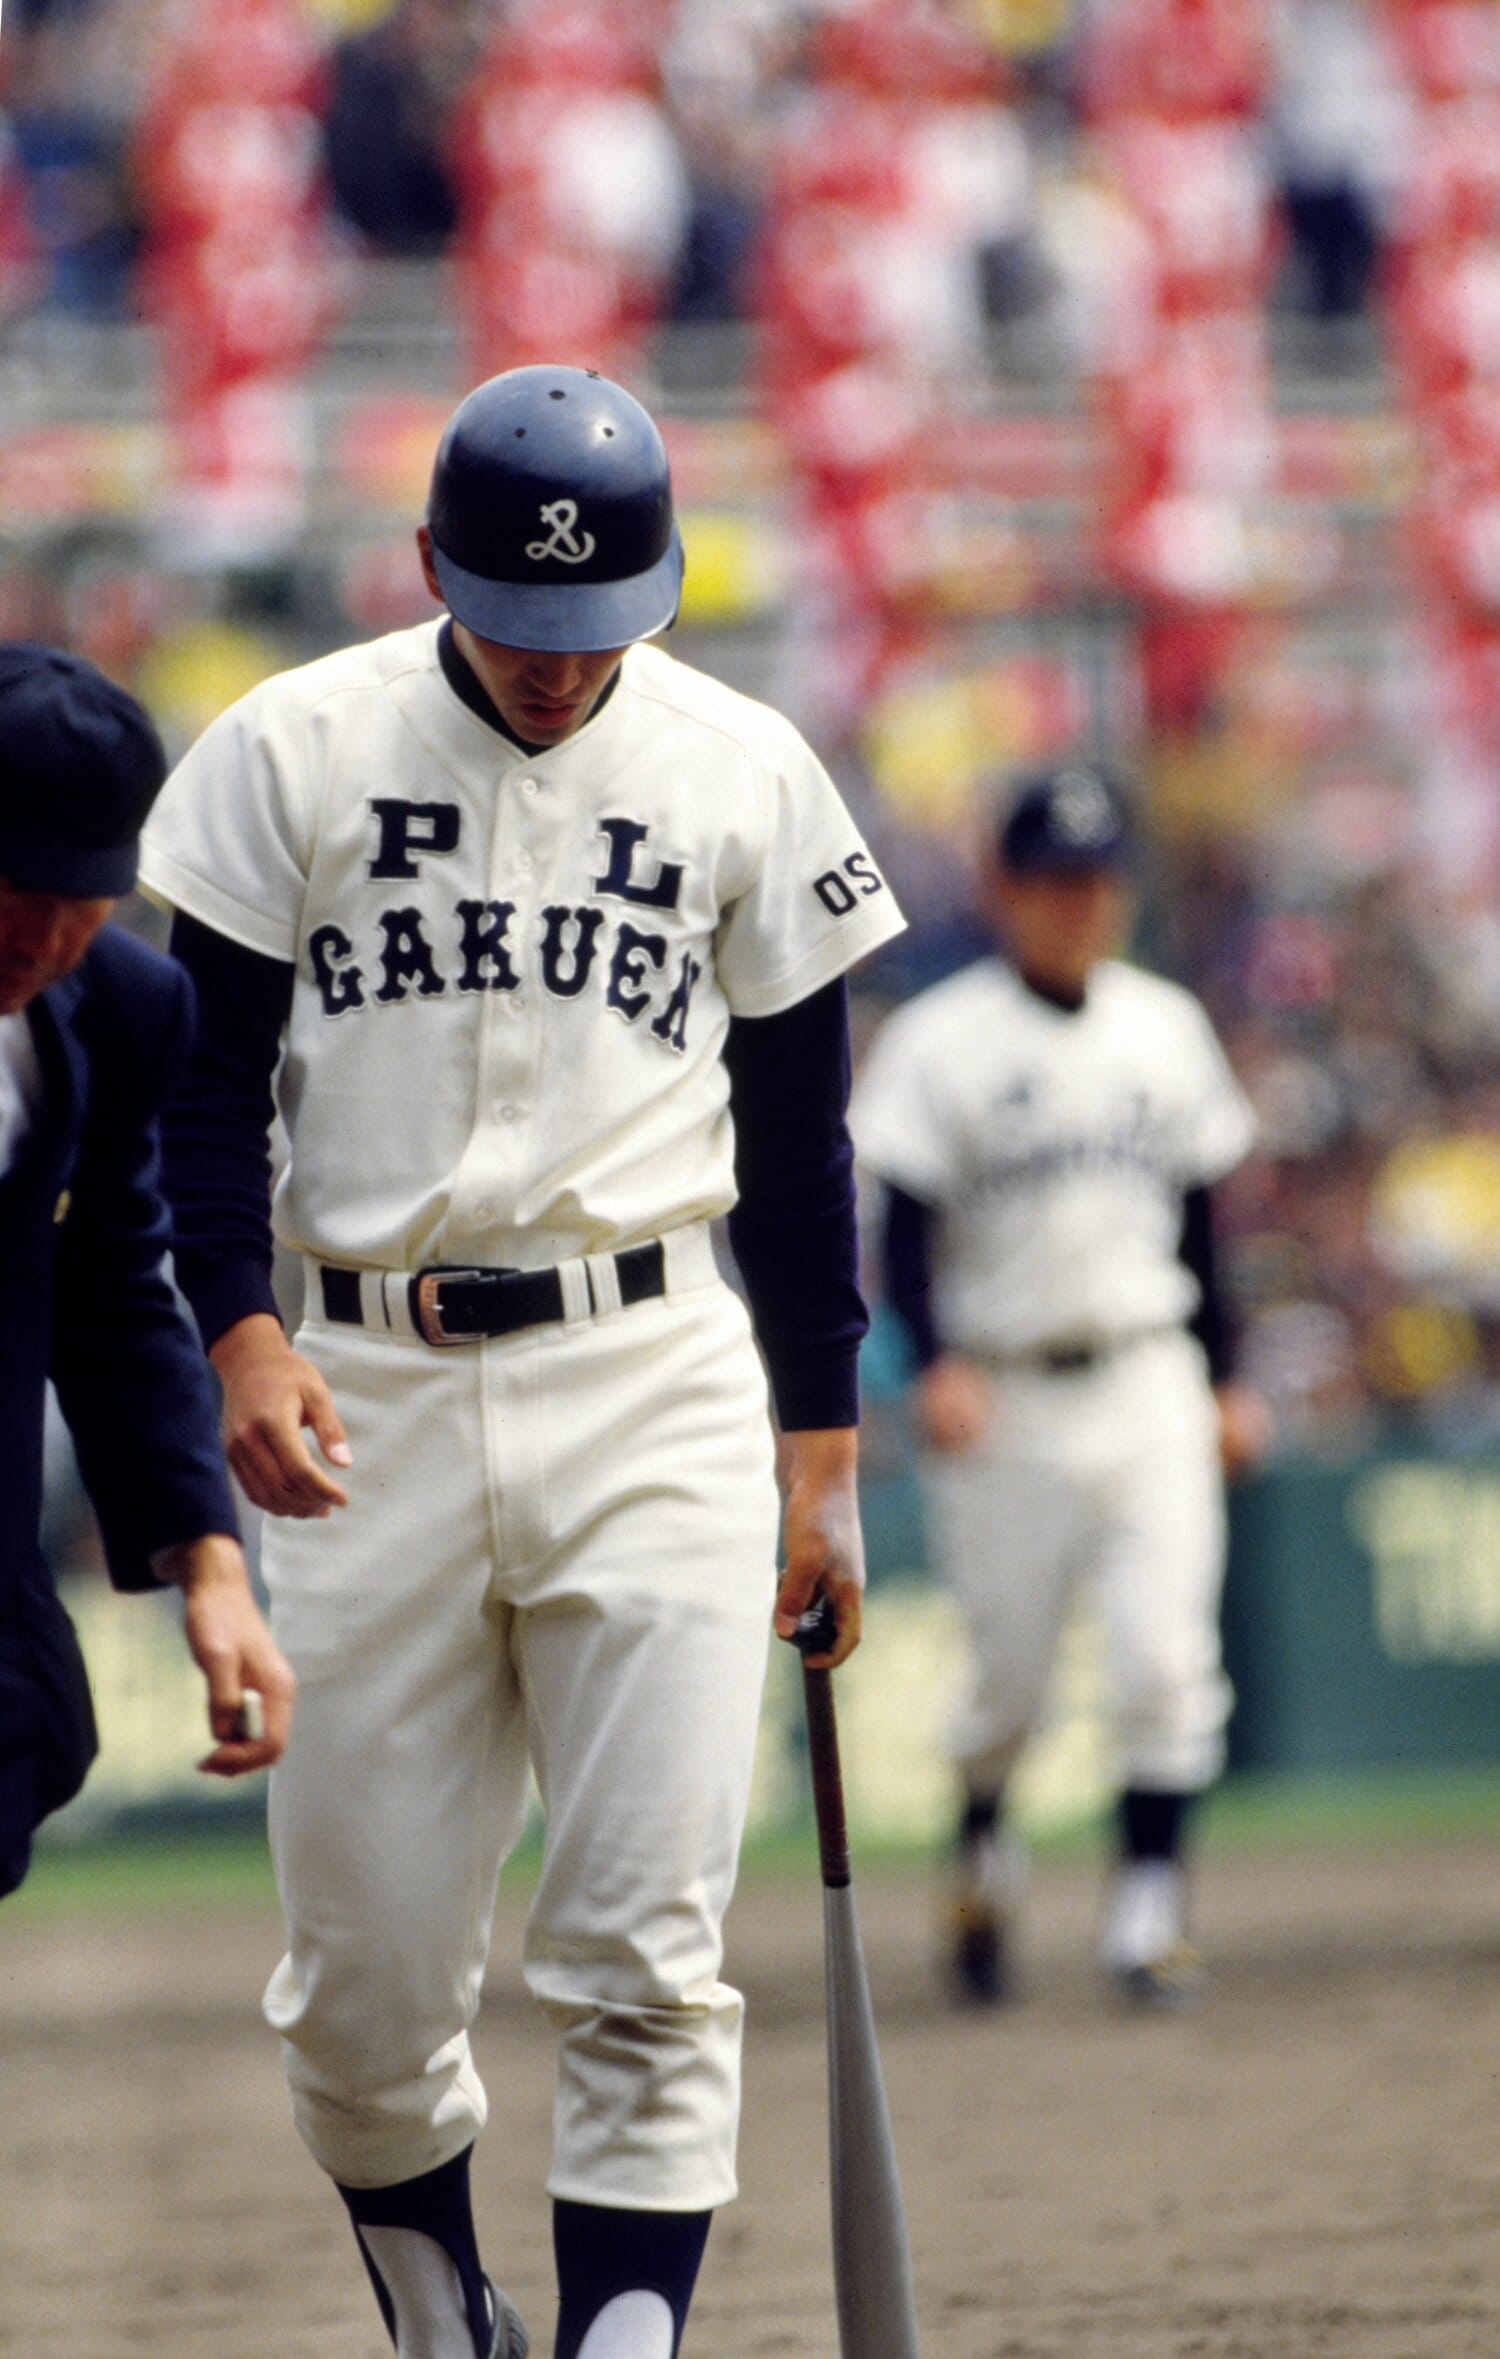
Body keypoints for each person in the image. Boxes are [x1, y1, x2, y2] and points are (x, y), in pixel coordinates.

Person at [137, 365, 905, 2359]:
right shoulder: (285, 750)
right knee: (368, 1990)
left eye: (599, 630)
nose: (560, 669)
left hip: (656, 1369)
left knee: (649, 1953)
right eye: (519, 620)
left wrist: (825, 1452)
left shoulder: (744, 767)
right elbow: (200, 1099)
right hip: (356, 1388)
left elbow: (805, 1145)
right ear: (428, 569)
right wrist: (232, 1328)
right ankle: (436, 2308)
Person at [851, 763, 1264, 2010]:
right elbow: (905, 1231)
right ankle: (983, 1837)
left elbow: (1206, 1223)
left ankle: (1148, 1911)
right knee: (1007, 1681)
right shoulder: (942, 1038)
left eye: (1097, 880)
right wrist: (935, 1366)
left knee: (1165, 1659)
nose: (1079, 903)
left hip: (1147, 1375)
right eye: (1053, 880)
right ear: (1003, 889)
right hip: (1009, 1391)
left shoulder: (1166, 1025)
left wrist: (1231, 1379)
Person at [0, 641, 294, 1901]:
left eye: (91, 896)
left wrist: (210, 1566)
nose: (52, 934)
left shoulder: (121, 1009)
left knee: (32, 1725)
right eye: (19, 887)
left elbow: (116, 1290)